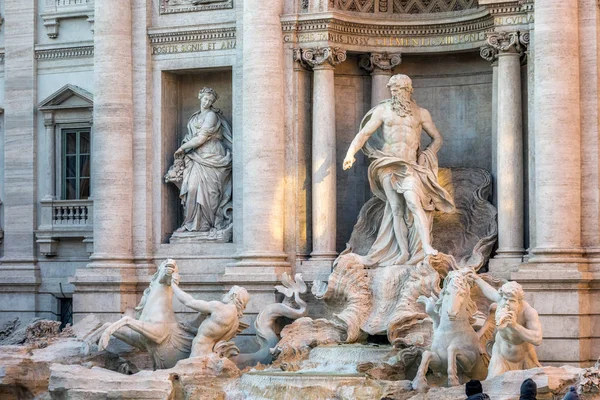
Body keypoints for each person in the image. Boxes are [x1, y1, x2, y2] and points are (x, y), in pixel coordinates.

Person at [343, 74, 455, 267]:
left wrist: (427, 153)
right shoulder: (383, 110)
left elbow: (437, 138)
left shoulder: (421, 113)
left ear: (408, 90)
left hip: (410, 165)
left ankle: (426, 247)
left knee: (413, 202)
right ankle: (403, 252)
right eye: (392, 90)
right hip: (387, 163)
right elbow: (364, 134)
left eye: (398, 90)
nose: (394, 93)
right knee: (395, 208)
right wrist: (350, 153)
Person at [172, 87, 233, 235]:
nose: (207, 102)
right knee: (192, 188)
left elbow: (201, 138)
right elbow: (192, 136)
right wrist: (187, 147)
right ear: (200, 97)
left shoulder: (212, 115)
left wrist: (182, 148)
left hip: (212, 155)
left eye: (210, 100)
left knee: (210, 193)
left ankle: (207, 224)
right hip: (197, 157)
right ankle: (190, 224)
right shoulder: (194, 117)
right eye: (205, 98)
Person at [471, 275, 543, 378]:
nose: (507, 304)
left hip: (524, 357)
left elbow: (537, 338)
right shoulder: (501, 301)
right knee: (494, 385)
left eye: (512, 301)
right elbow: (488, 290)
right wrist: (476, 278)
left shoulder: (528, 312)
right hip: (500, 355)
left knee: (529, 389)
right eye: (505, 299)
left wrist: (514, 325)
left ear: (519, 301)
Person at [169, 274, 249, 357]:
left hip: (198, 353)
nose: (225, 295)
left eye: (228, 293)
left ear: (233, 295)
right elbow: (212, 334)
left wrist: (173, 285)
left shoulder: (220, 307)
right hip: (209, 355)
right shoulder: (235, 323)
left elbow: (189, 302)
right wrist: (191, 329)